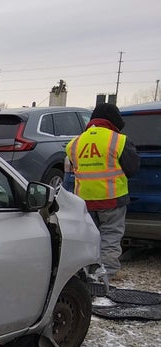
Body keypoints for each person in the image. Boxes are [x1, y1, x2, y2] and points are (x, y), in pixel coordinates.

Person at [64, 102, 140, 288]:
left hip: (84, 201)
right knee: (110, 238)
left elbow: (74, 169)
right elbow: (132, 168)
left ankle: (88, 272)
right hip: (112, 199)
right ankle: (106, 277)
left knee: (90, 238)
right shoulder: (119, 140)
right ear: (114, 121)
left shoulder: (75, 143)